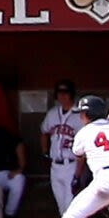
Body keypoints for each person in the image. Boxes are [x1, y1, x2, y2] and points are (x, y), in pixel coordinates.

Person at [41, 79, 86, 207]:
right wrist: (45, 152)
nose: (62, 95)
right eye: (59, 92)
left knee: (71, 205)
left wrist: (78, 173)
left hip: (72, 164)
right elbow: (44, 132)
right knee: (61, 206)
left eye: (65, 92)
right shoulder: (53, 113)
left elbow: (84, 148)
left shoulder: (80, 115)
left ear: (71, 93)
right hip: (55, 165)